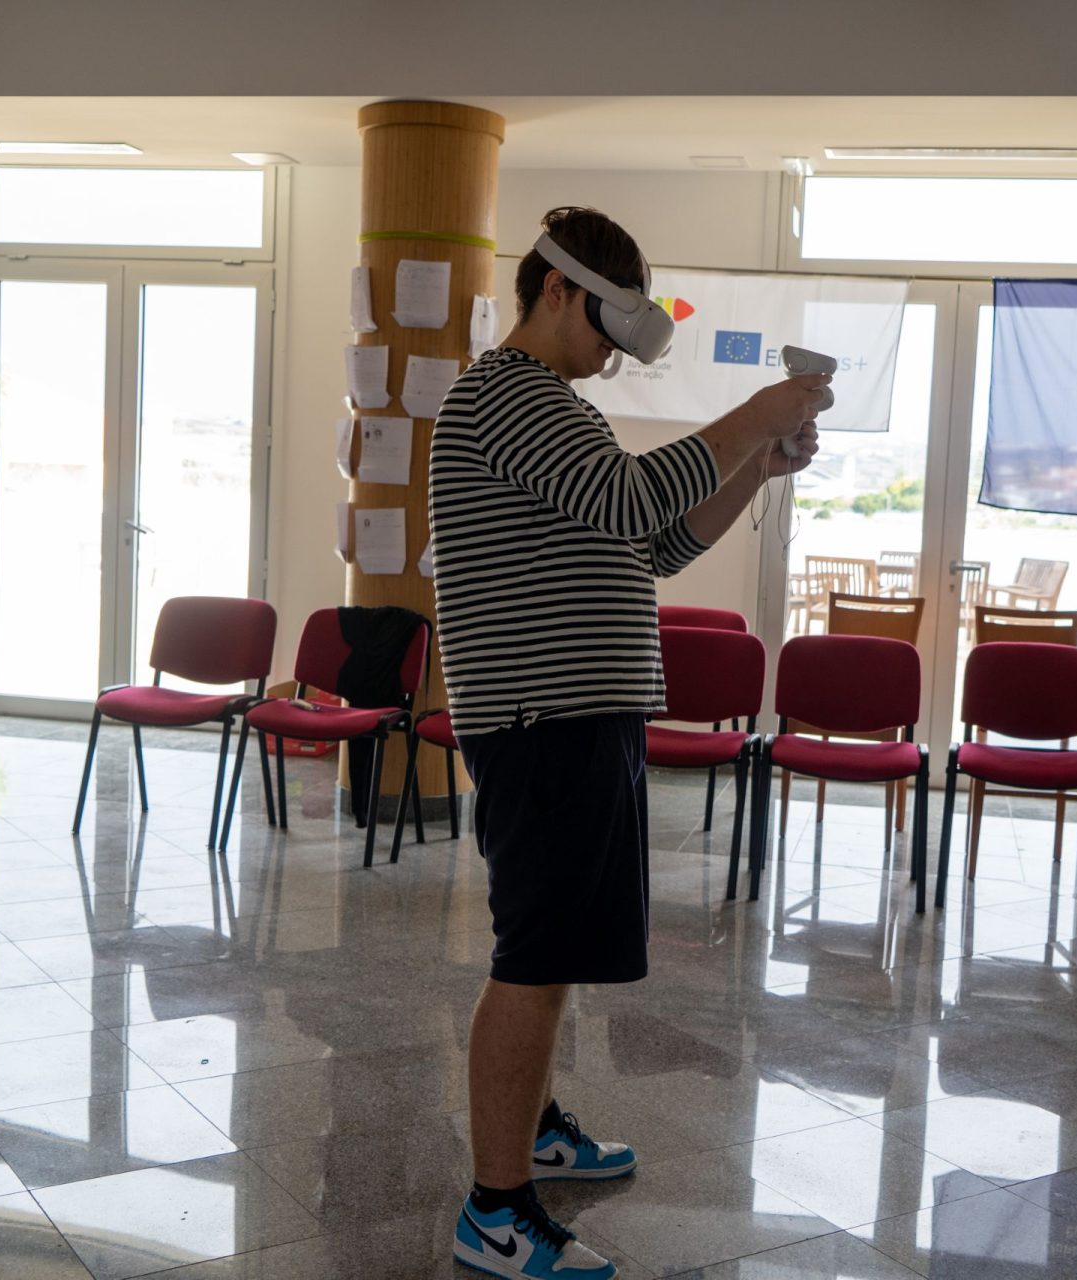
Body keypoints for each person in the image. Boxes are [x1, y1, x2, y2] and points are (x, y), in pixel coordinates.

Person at [428, 206, 825, 1280]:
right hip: (540, 718)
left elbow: (651, 545)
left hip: (579, 715)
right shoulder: (505, 396)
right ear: (555, 290)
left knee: (557, 947)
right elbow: (630, 495)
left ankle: (536, 1128)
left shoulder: (556, 406)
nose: (611, 355)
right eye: (607, 327)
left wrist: (756, 469)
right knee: (534, 954)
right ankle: (495, 1210)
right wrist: (753, 414)